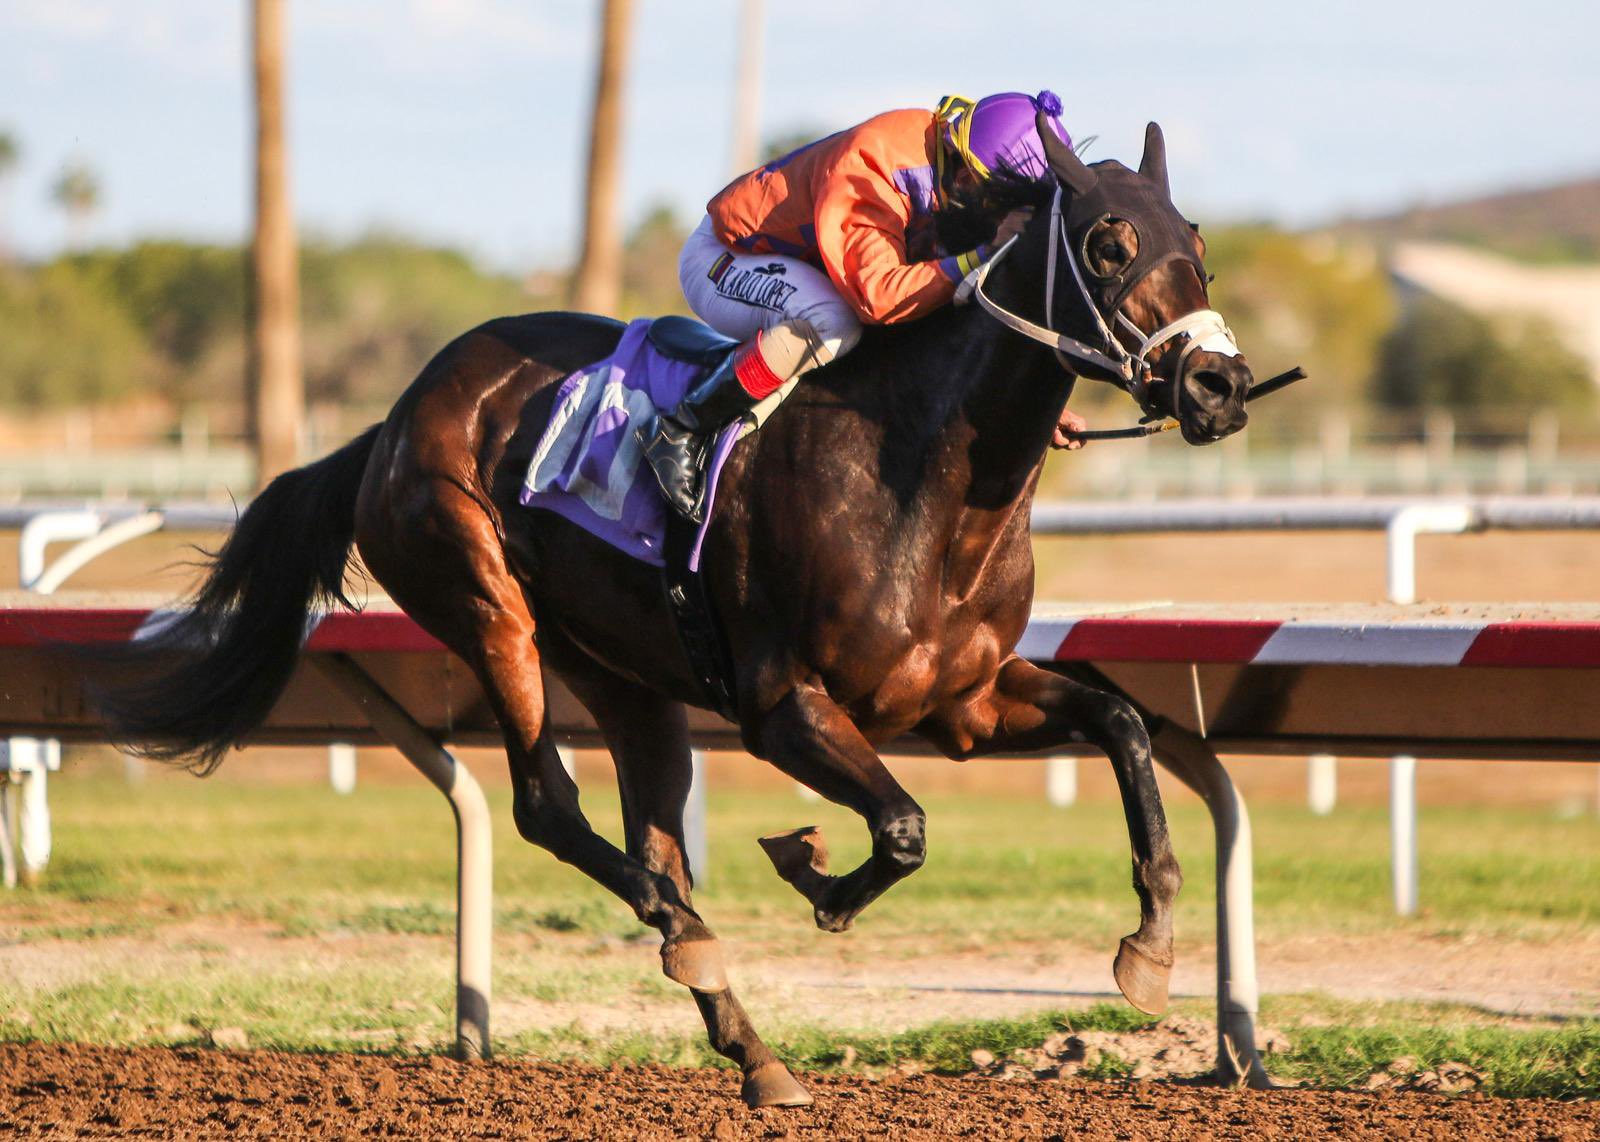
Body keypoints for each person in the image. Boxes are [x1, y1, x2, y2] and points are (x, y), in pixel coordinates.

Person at [640, 90, 1087, 522]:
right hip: (724, 258)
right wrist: (982, 251)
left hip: (806, 268)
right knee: (833, 322)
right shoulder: (874, 165)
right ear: (971, 178)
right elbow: (878, 299)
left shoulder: (958, 159)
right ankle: (683, 426)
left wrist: (1032, 409)